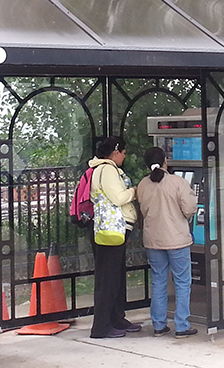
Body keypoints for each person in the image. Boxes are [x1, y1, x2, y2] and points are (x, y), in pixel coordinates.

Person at [136, 147, 199, 339]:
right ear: (165, 161)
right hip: (177, 240)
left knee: (159, 281)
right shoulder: (177, 182)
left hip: (153, 240)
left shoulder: (142, 185)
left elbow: (142, 211)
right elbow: (190, 208)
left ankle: (159, 325)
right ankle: (181, 326)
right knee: (182, 282)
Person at [89, 137, 141, 339]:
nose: (125, 156)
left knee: (115, 276)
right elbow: (118, 197)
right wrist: (134, 191)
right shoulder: (107, 170)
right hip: (113, 229)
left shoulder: (102, 169)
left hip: (115, 228)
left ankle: (116, 317)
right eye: (124, 152)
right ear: (116, 151)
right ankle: (101, 326)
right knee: (109, 279)